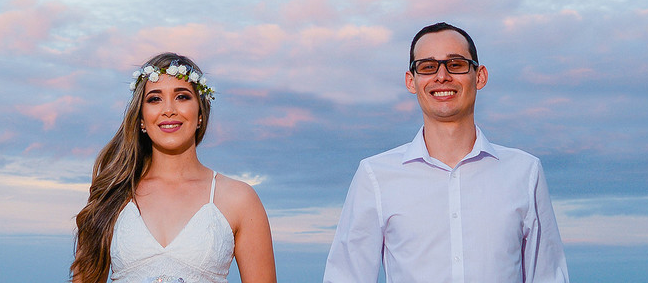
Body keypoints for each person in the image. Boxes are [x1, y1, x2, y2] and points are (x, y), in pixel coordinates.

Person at [323, 22, 569, 283]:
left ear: (480, 75)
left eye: (456, 64)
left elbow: (547, 275)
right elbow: (346, 276)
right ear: (411, 81)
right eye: (428, 67)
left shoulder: (525, 171)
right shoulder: (375, 176)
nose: (442, 76)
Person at [72, 51, 277, 283]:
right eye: (155, 99)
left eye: (182, 97)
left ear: (200, 113)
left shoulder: (239, 199)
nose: (168, 110)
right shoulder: (113, 194)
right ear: (141, 118)